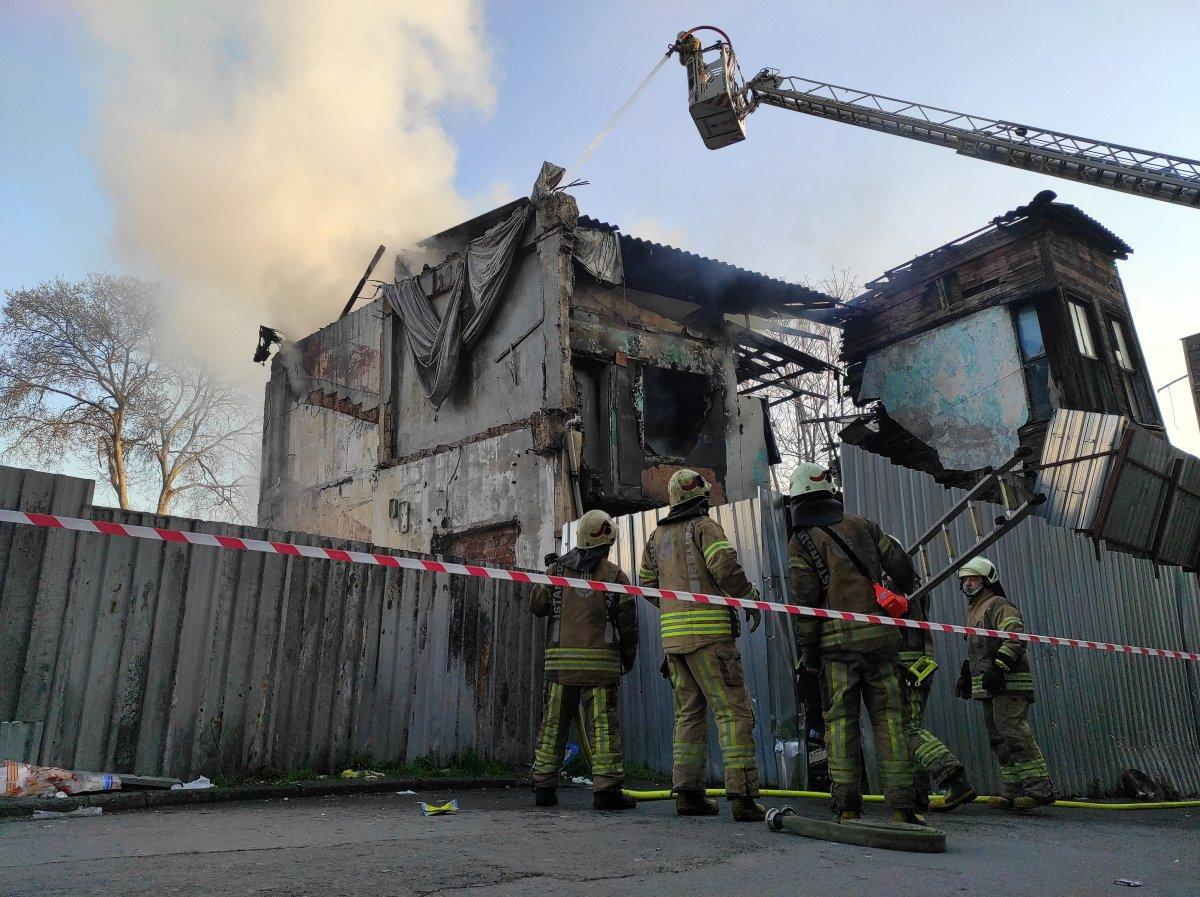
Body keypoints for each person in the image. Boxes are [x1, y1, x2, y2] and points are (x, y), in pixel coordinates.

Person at [786, 461, 924, 824]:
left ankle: (847, 807)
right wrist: (903, 595)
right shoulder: (862, 525)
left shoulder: (801, 541)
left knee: (840, 723)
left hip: (836, 650)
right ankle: (902, 808)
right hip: (881, 640)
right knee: (890, 721)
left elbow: (805, 606)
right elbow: (902, 567)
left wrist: (809, 655)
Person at [637, 469, 765, 822]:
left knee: (688, 715)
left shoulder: (656, 536)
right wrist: (749, 597)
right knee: (733, 712)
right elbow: (724, 565)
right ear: (702, 497)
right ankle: (743, 797)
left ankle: (688, 793)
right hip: (711, 641)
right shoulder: (705, 527)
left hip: (674, 643)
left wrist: (675, 612)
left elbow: (646, 582)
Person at [529, 509, 638, 811]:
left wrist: (547, 574)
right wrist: (627, 660)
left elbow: (536, 606)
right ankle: (606, 791)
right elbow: (628, 625)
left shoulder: (557, 572)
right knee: (603, 729)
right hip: (600, 671)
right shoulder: (616, 577)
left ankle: (544, 788)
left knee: (553, 727)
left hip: (561, 667)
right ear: (607, 541)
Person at [955, 556, 1055, 810]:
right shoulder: (974, 609)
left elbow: (1014, 638)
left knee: (1013, 732)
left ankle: (1039, 789)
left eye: (973, 578)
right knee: (998, 738)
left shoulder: (998, 604)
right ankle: (1013, 791)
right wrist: (968, 674)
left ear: (988, 579)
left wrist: (999, 669)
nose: (968, 584)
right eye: (965, 580)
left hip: (1008, 684)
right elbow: (978, 649)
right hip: (990, 687)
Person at [894, 557, 977, 813]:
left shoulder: (892, 587)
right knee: (910, 728)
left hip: (903, 665)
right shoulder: (914, 585)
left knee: (906, 727)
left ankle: (953, 778)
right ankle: (919, 795)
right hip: (919, 664)